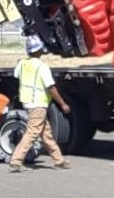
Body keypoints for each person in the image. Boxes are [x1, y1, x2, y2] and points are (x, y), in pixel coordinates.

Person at [8, 34, 72, 172]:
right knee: (32, 132)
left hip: (28, 102)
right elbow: (51, 87)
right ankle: (16, 160)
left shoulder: (22, 64)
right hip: (38, 103)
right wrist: (63, 104)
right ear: (38, 50)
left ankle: (59, 160)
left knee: (46, 133)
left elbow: (16, 75)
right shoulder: (42, 66)